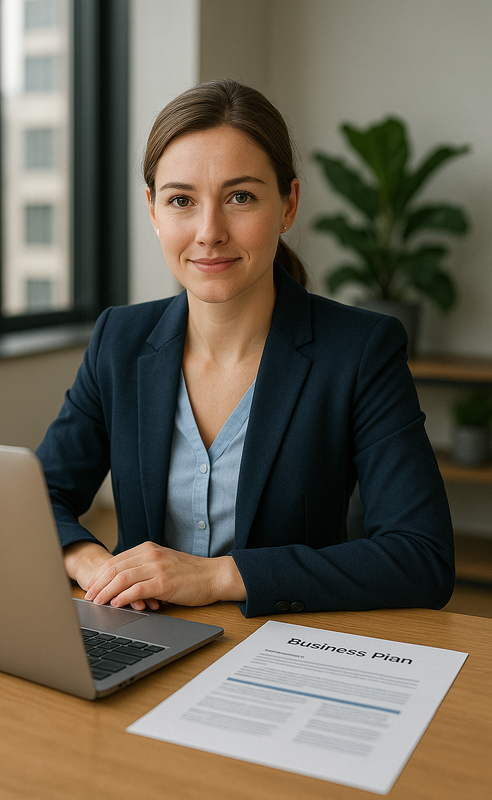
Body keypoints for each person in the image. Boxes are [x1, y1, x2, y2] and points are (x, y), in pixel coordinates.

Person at [37, 79, 455, 618]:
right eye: (181, 200)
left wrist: (217, 576)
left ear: (288, 205)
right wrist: (94, 564)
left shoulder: (360, 351)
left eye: (240, 197)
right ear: (153, 211)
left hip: (281, 650)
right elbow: (38, 497)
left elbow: (421, 557)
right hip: (143, 635)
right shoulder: (118, 339)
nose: (209, 232)